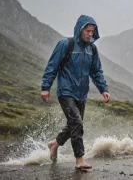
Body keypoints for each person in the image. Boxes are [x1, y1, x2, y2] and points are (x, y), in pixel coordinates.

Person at [40, 15, 110, 169]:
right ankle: (79, 159)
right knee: (77, 123)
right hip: (65, 91)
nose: (90, 34)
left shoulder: (92, 49)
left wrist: (103, 89)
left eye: (92, 31)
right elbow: (52, 66)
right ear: (80, 29)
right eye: (87, 30)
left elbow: (96, 71)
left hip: (81, 93)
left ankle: (55, 143)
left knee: (74, 125)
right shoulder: (66, 44)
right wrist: (45, 87)